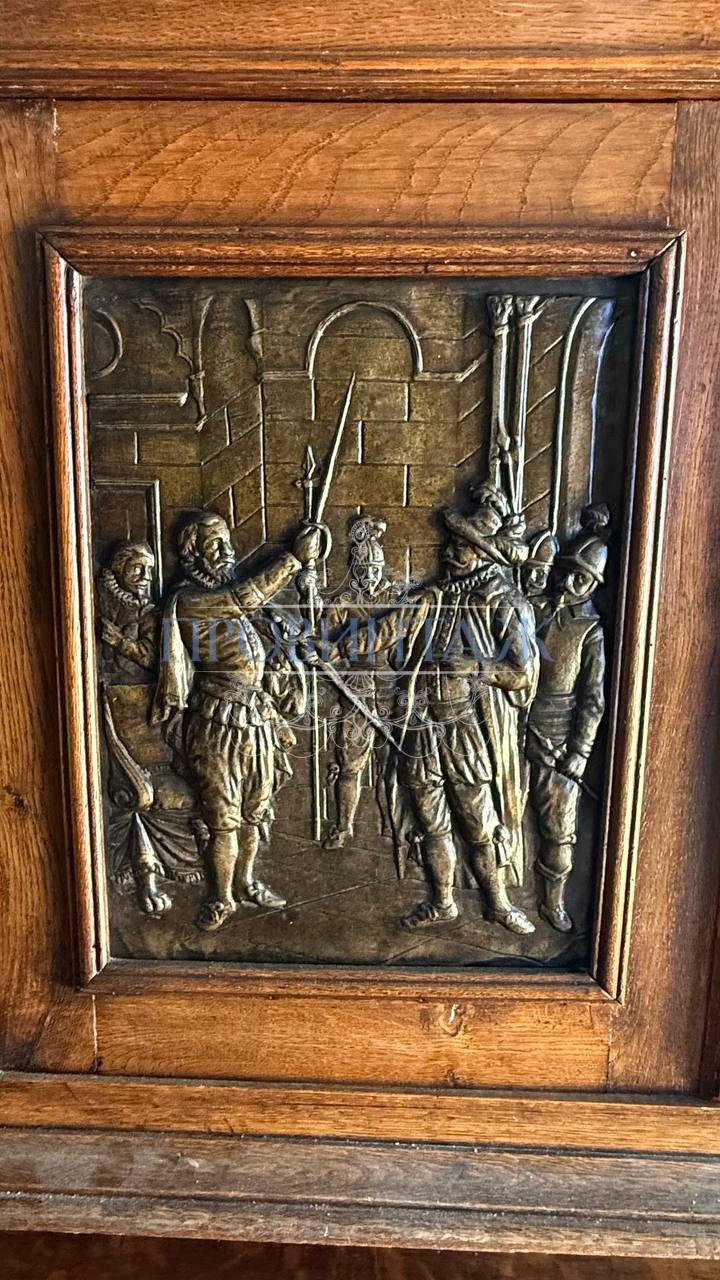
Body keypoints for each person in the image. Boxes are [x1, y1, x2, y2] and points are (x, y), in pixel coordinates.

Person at [328, 485, 538, 933]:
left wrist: (478, 667)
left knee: (478, 823)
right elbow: (386, 630)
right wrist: (336, 648)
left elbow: (522, 673)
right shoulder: (433, 596)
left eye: (459, 546)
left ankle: (498, 903)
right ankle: (442, 901)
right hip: (422, 727)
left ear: (482, 553)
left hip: (465, 728)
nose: (448, 552)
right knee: (431, 821)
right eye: (449, 544)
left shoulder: (503, 602)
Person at [152, 512, 320, 932]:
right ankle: (221, 898)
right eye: (215, 545)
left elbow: (261, 625)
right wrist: (292, 559)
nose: (226, 551)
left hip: (256, 718)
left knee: (255, 809)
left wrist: (292, 650)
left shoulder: (230, 597)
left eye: (227, 542)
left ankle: (245, 882)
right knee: (223, 816)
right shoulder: (190, 599)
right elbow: (244, 599)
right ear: (193, 554)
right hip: (217, 721)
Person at [526, 505, 608, 931]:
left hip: (557, 740)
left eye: (581, 578)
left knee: (557, 828)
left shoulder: (590, 630)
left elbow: (593, 700)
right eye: (567, 572)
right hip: (516, 727)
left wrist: (580, 752)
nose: (569, 583)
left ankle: (552, 902)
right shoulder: (535, 609)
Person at [323, 515, 403, 850]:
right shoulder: (343, 603)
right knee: (350, 765)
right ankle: (343, 826)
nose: (369, 575)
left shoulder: (396, 599)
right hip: (354, 686)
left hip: (390, 687)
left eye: (375, 569)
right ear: (354, 569)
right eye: (363, 569)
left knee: (394, 764)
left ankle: (395, 827)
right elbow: (326, 645)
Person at [96, 541, 157, 678]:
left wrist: (120, 641)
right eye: (137, 568)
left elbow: (155, 659)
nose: (146, 577)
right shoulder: (96, 595)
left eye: (149, 569)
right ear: (119, 567)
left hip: (130, 685)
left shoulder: (146, 610)